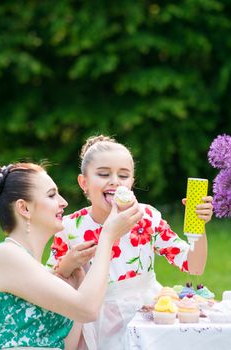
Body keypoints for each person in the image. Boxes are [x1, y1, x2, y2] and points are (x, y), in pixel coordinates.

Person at [46, 135, 213, 349]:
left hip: (144, 314)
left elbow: (194, 266)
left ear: (132, 183)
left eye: (123, 175)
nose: (115, 181)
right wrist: (68, 263)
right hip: (94, 321)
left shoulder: (146, 217)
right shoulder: (70, 228)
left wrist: (199, 225)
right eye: (104, 174)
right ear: (84, 182)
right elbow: (51, 283)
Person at [0, 161, 143, 349]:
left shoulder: (35, 269)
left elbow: (66, 345)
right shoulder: (4, 255)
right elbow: (87, 309)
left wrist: (77, 282)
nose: (64, 202)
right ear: (24, 208)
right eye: (52, 195)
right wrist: (108, 237)